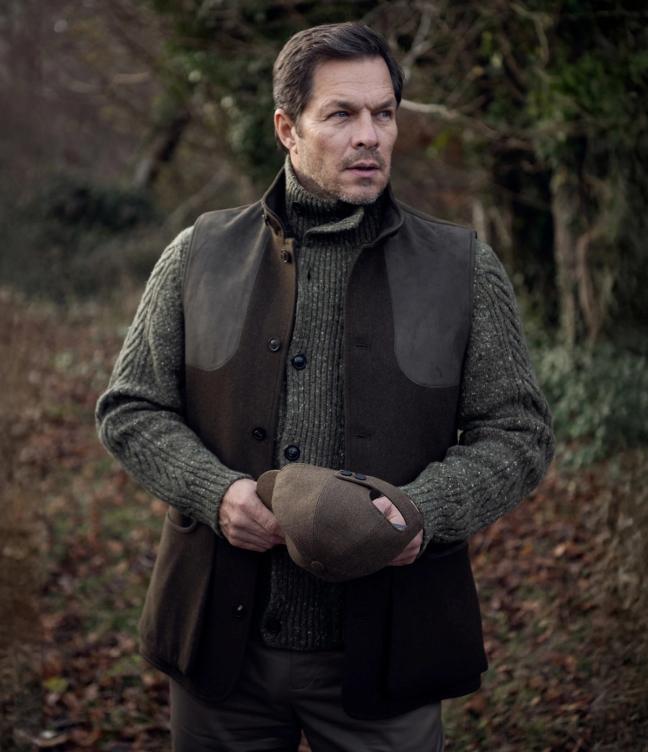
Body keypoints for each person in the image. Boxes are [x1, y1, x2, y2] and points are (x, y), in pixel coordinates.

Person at [96, 21, 554, 752]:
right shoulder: (198, 254)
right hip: (222, 652)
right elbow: (132, 407)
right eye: (341, 114)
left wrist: (423, 512)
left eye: (384, 113)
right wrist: (215, 493)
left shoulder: (463, 267)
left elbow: (519, 434)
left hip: (388, 654)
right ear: (287, 128)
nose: (369, 135)